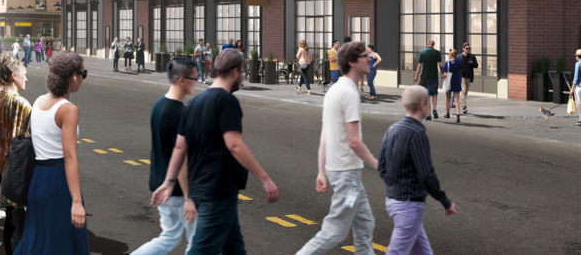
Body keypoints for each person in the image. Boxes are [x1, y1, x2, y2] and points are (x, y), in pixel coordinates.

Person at [151, 48, 279, 255]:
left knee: (234, 248)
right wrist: (265, 179)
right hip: (217, 192)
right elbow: (234, 144)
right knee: (201, 250)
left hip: (203, 190)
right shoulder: (226, 101)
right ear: (236, 71)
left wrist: (168, 182)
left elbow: (180, 146)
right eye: (243, 72)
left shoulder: (194, 103)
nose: (243, 77)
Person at [295, 42, 378, 255]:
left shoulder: (335, 89)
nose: (368, 59)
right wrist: (380, 166)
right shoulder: (349, 93)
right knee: (335, 231)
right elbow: (354, 141)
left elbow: (326, 134)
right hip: (346, 174)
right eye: (363, 56)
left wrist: (322, 171)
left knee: (365, 223)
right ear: (352, 62)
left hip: (342, 171)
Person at [15, 51, 88, 255]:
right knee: (64, 243)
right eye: (84, 73)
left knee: (39, 239)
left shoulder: (38, 102)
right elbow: (70, 157)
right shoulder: (68, 109)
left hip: (38, 180)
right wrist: (76, 201)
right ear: (73, 76)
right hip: (59, 181)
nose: (83, 78)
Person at [133, 57, 198, 255]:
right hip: (177, 191)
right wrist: (189, 197)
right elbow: (181, 160)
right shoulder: (179, 113)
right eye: (194, 78)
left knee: (169, 236)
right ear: (182, 80)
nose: (197, 82)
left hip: (159, 182)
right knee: (198, 241)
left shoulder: (159, 105)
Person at [377, 85, 453, 255]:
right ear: (423, 105)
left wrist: (394, 185)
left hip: (393, 200)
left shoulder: (392, 130)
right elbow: (426, 175)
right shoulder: (417, 133)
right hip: (409, 205)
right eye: (429, 104)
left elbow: (382, 167)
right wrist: (445, 201)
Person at [0, 56, 32, 255]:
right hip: (17, 168)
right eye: (24, 75)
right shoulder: (22, 104)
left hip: (0, 165)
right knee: (19, 220)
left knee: (11, 220)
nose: (26, 79)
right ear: (14, 76)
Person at [413, 40, 441, 119]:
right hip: (434, 77)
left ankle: (428, 115)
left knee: (427, 96)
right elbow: (440, 65)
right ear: (433, 45)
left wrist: (416, 76)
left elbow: (419, 66)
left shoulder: (422, 53)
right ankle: (434, 109)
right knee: (434, 94)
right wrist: (442, 73)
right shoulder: (437, 53)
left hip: (425, 77)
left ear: (427, 44)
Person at [452, 45, 474, 115]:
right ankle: (464, 106)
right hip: (462, 76)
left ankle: (462, 103)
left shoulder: (472, 56)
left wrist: (472, 63)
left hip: (469, 76)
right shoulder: (459, 57)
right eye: (467, 48)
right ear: (463, 49)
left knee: (466, 92)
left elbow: (476, 65)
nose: (468, 50)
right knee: (463, 91)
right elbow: (456, 65)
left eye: (469, 48)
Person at [440, 52, 461, 122]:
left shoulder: (447, 63)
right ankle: (458, 116)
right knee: (457, 100)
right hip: (457, 81)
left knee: (448, 99)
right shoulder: (458, 62)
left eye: (448, 54)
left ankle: (447, 114)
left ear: (451, 55)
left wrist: (442, 76)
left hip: (449, 82)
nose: (448, 55)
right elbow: (460, 70)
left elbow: (445, 75)